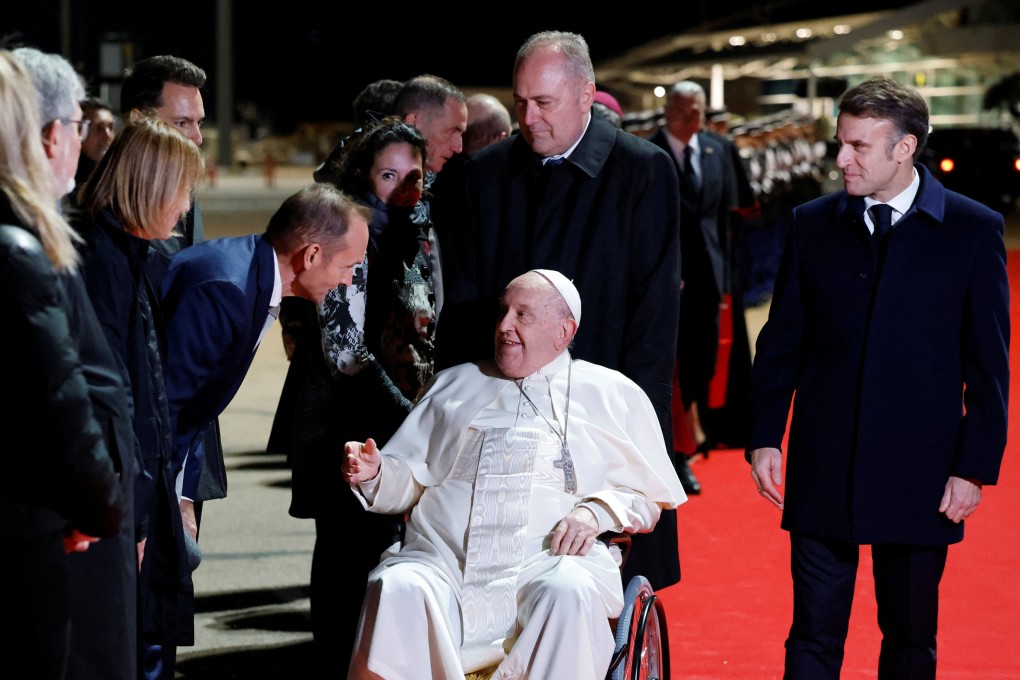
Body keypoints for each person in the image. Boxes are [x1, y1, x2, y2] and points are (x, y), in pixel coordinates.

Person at [747, 77, 1010, 679]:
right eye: (841, 143)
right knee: (812, 634)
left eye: (859, 147)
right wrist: (764, 434)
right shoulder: (810, 224)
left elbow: (988, 365)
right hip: (822, 462)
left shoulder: (972, 230)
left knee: (911, 636)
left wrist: (973, 468)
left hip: (922, 471)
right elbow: (782, 340)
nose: (841, 159)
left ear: (905, 148)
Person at [344, 270, 686, 680]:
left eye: (522, 315)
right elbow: (411, 479)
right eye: (503, 312)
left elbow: (647, 496)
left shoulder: (611, 394)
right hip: (445, 565)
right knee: (397, 585)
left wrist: (596, 512)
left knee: (570, 592)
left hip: (545, 566)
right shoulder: (454, 384)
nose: (504, 325)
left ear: (564, 331)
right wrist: (377, 472)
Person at [435, 30, 683, 590]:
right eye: (521, 101)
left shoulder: (642, 172)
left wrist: (633, 425)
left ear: (587, 95)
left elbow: (654, 315)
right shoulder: (483, 176)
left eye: (543, 103)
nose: (529, 117)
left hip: (599, 417)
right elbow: (468, 310)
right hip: (503, 417)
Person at [280, 120, 433, 673]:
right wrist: (411, 416)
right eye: (388, 174)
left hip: (402, 423)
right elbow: (344, 350)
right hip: (351, 425)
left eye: (413, 174)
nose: (402, 187)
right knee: (348, 568)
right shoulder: (354, 234)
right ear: (365, 176)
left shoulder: (419, 232)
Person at [11, 45, 138, 680]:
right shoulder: (20, 249)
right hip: (49, 533)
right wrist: (98, 504)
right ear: (55, 135)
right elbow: (65, 401)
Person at [74, 116, 207, 680]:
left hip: (136, 497)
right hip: (115, 506)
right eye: (181, 194)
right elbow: (109, 402)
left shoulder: (135, 258)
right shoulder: (102, 262)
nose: (183, 211)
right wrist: (128, 522)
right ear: (149, 187)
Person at [647, 80, 754, 492]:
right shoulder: (649, 153)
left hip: (709, 279)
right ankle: (676, 453)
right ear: (671, 112)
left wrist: (727, 276)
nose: (696, 118)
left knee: (702, 362)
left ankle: (689, 436)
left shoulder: (718, 149)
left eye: (701, 110)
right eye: (688, 110)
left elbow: (728, 218)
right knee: (668, 365)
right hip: (665, 280)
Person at [72, 96, 117, 196]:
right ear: (80, 130)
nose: (108, 136)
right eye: (99, 128)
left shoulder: (117, 177)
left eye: (111, 127)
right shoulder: (67, 180)